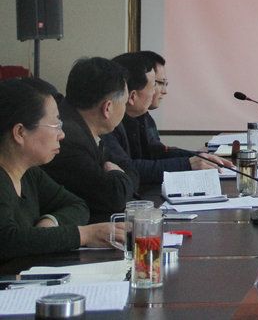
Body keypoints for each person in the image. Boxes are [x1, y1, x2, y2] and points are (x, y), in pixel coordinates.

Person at [0, 78, 119, 260]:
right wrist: (85, 235)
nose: (62, 135)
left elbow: (77, 206)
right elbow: (8, 240)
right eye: (56, 125)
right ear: (20, 132)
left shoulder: (29, 173)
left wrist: (50, 223)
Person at [102, 52, 228, 183]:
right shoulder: (107, 124)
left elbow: (157, 152)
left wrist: (199, 157)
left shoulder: (142, 117)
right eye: (156, 84)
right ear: (132, 95)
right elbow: (128, 168)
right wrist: (188, 163)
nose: (160, 91)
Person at [42, 57, 137, 223]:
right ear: (107, 108)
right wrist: (117, 174)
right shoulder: (67, 139)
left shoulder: (88, 127)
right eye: (124, 102)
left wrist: (120, 177)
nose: (125, 108)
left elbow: (130, 170)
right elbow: (115, 197)